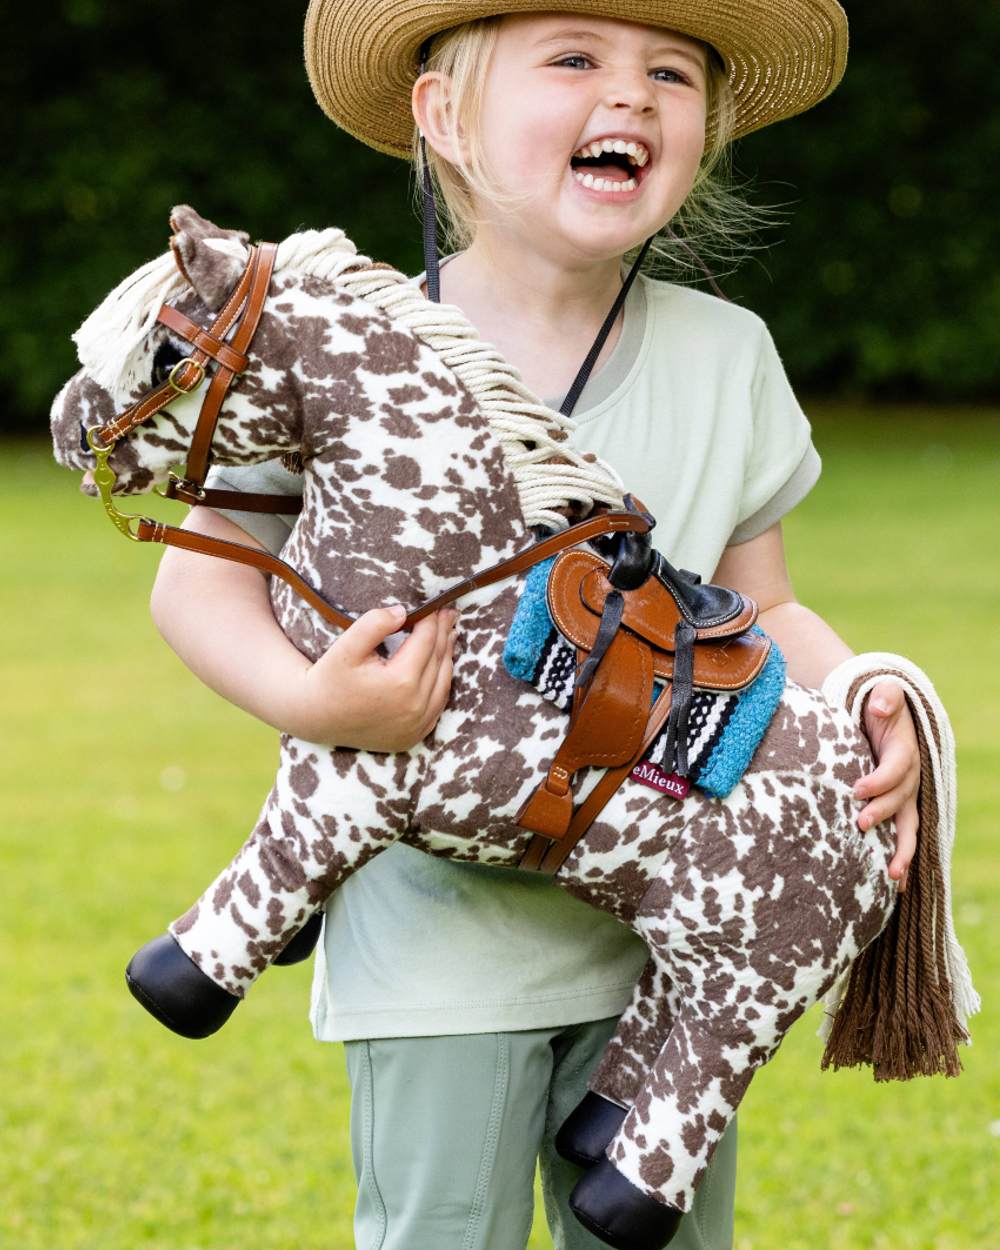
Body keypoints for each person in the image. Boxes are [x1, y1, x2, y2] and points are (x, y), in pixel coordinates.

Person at [148, 4, 921, 1248]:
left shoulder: (730, 354)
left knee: (656, 1230)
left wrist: (865, 693)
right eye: (573, 61)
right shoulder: (343, 349)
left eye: (669, 73)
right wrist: (316, 708)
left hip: (666, 946)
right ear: (443, 117)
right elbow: (196, 582)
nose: (630, 97)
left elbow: (762, 607)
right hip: (433, 948)